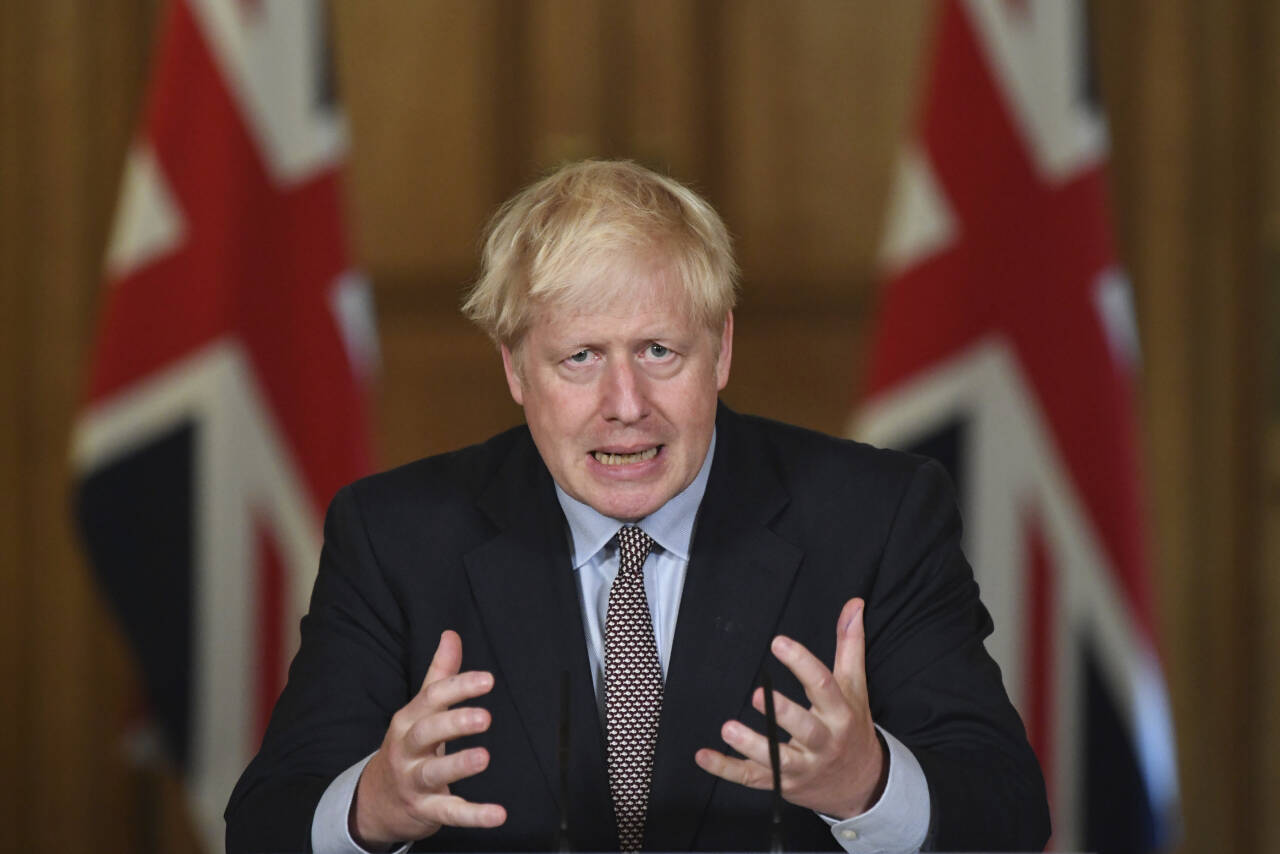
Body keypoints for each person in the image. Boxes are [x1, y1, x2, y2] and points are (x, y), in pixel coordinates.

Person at [225, 160, 1049, 853]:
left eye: (660, 351)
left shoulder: (877, 516)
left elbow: (1011, 812)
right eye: (580, 358)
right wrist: (371, 806)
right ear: (515, 369)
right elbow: (262, 825)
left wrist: (865, 783)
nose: (626, 404)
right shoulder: (397, 536)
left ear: (720, 348)